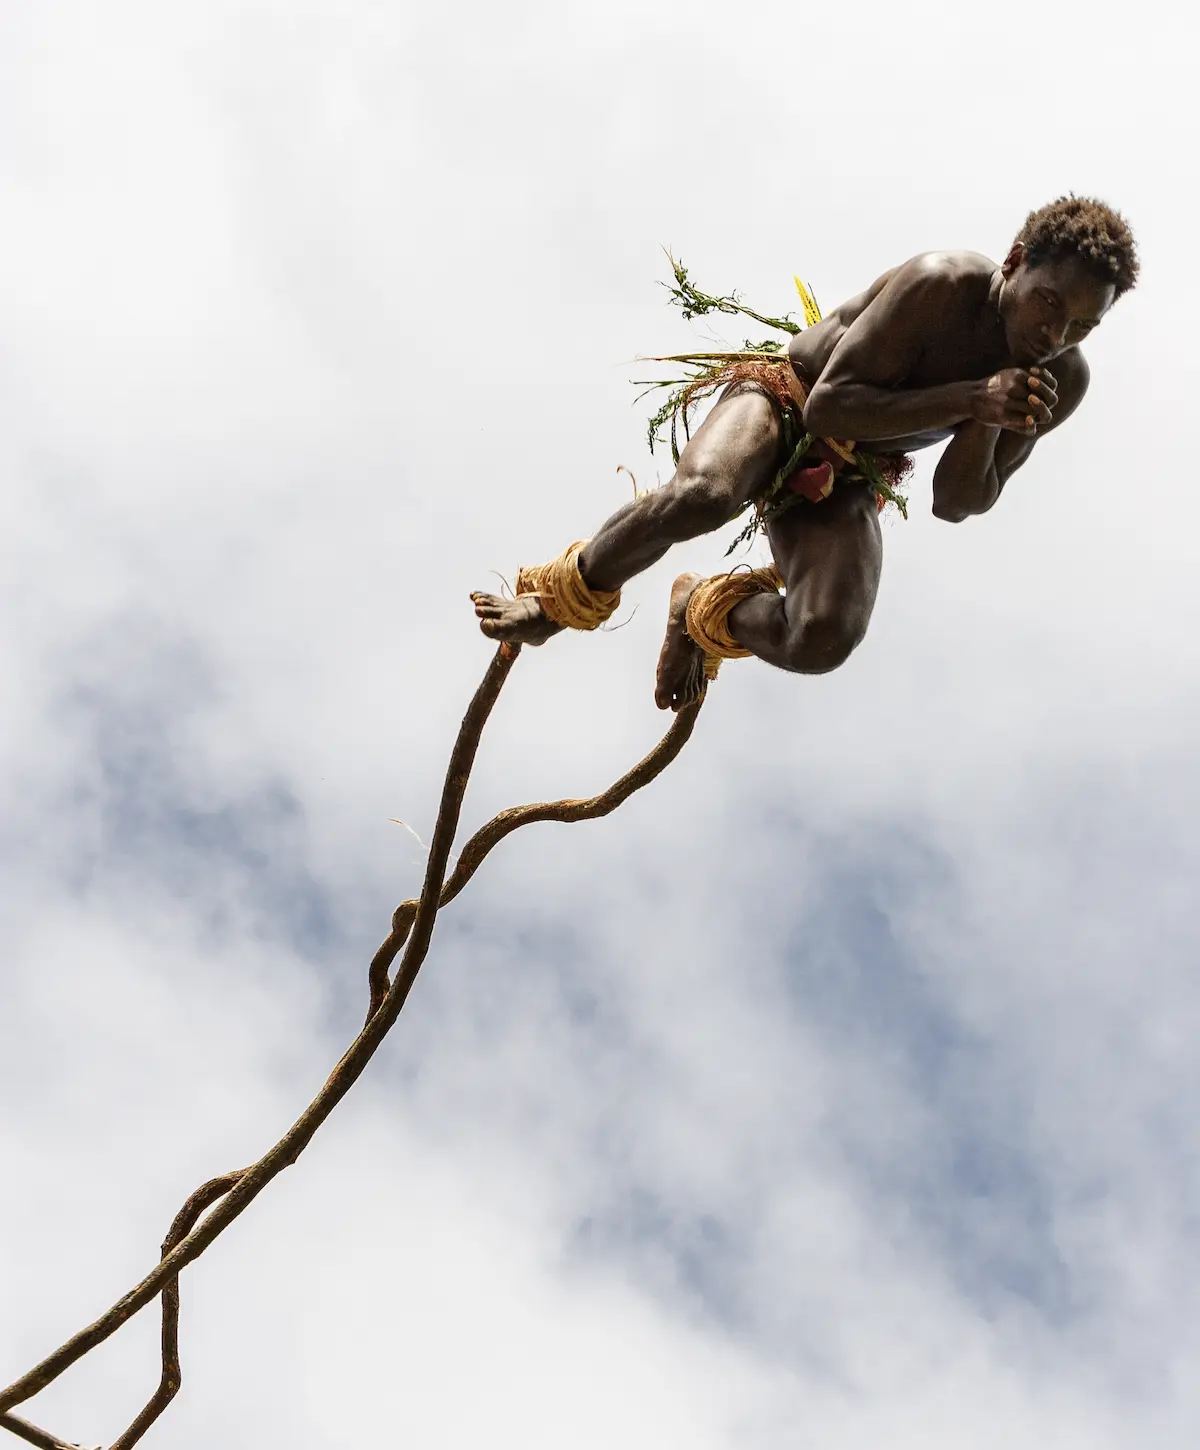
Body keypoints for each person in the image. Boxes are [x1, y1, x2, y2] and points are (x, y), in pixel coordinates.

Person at [471, 196, 1139, 711]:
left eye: (1081, 324)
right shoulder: (943, 284)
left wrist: (990, 416)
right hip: (786, 401)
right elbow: (830, 406)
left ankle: (704, 610)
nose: (1055, 332)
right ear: (1016, 260)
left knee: (823, 637)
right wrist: (974, 396)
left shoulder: (1062, 379)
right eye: (1048, 303)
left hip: (851, 472)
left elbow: (955, 503)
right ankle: (558, 604)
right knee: (702, 497)